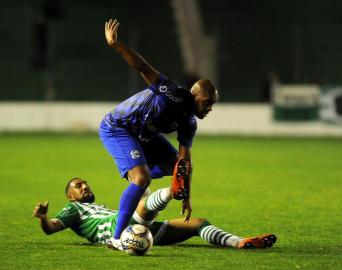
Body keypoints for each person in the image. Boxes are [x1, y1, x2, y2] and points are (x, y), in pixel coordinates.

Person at [99, 19, 219, 248]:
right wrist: (116, 45)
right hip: (118, 127)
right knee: (142, 178)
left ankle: (134, 176)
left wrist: (187, 196)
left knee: (172, 167)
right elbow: (143, 67)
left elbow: (184, 163)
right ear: (194, 96)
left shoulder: (189, 123)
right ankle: (115, 239)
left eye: (212, 104)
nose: (209, 108)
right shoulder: (172, 93)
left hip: (144, 135)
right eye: (206, 102)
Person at [32, 178, 277, 250]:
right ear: (70, 196)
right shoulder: (73, 208)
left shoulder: (99, 206)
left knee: (196, 223)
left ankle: (240, 242)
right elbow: (52, 228)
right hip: (120, 232)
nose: (85, 187)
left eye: (86, 184)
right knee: (143, 204)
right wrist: (44, 217)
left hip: (138, 231)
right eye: (78, 186)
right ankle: (173, 189)